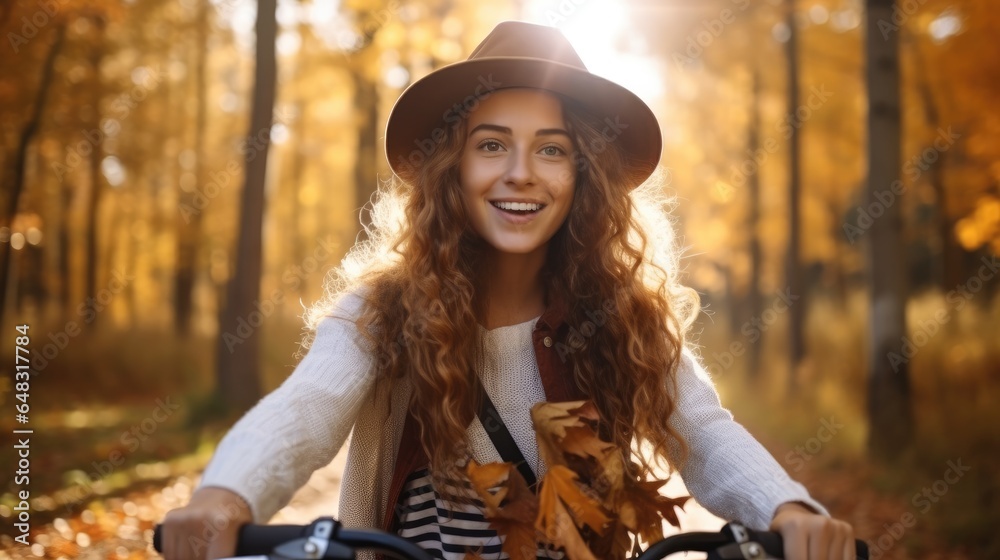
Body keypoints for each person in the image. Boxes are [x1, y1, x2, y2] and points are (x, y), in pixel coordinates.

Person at [161, 21, 856, 560]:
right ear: (452, 169)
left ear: (583, 176)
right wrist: (227, 494)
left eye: (552, 149)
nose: (521, 172)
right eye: (492, 144)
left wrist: (787, 512)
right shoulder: (384, 312)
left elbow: (702, 430)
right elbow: (308, 404)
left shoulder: (622, 317)